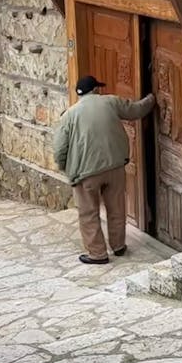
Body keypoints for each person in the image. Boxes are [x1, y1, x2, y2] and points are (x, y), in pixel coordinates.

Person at [53, 74, 155, 265]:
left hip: (85, 173)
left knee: (88, 212)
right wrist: (152, 98)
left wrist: (65, 167)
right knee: (116, 208)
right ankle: (118, 246)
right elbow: (136, 110)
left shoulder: (69, 115)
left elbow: (59, 148)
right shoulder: (111, 102)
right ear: (96, 90)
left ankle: (98, 254)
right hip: (115, 166)